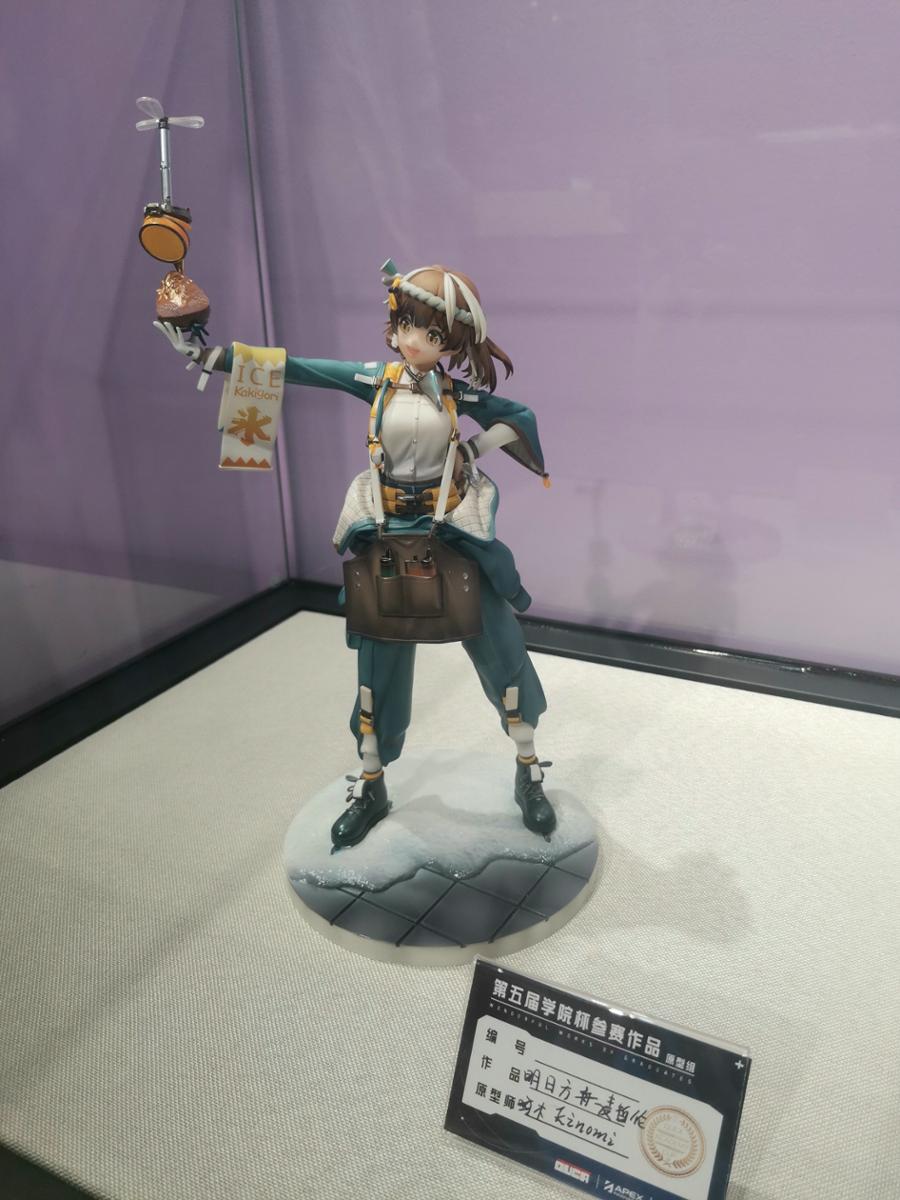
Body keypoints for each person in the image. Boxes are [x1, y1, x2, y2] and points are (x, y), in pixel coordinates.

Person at [155, 260, 555, 849]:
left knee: (502, 652)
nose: (415, 339)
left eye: (433, 333)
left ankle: (528, 769)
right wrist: (209, 356)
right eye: (408, 324)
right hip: (387, 535)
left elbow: (519, 418)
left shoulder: (455, 394)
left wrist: (471, 449)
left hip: (450, 535)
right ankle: (372, 784)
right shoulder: (376, 381)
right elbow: (297, 368)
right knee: (376, 668)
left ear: (452, 343)